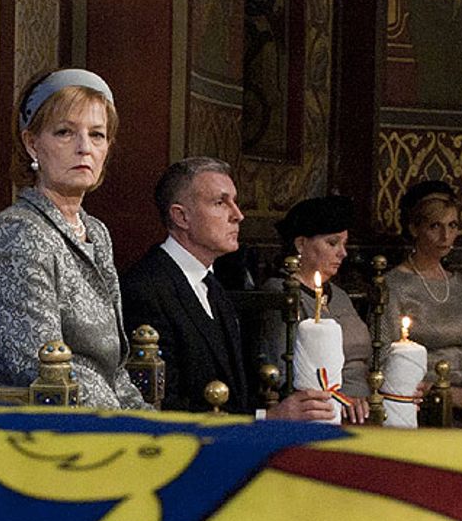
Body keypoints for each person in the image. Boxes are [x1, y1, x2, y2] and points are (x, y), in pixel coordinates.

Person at [0, 68, 147, 409]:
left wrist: (150, 424)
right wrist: (124, 430)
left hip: (107, 422)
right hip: (50, 431)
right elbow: (43, 370)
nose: (85, 148)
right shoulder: (17, 233)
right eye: (66, 132)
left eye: (97, 135)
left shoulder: (96, 231)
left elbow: (114, 369)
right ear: (32, 143)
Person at [121, 157, 335, 419]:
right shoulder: (146, 288)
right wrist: (267, 419)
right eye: (220, 203)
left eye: (235, 201)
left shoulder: (213, 285)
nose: (238, 215)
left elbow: (236, 391)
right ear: (181, 216)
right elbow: (160, 405)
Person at [383, 180, 462, 423]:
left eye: (453, 226)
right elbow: (387, 360)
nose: (446, 236)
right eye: (435, 226)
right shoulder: (394, 284)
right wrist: (446, 394)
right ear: (414, 228)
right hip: (422, 402)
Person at [261, 195, 373, 424]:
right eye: (332, 243)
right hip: (324, 411)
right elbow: (283, 372)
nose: (343, 253)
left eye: (344, 244)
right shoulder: (280, 293)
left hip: (366, 405)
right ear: (301, 244)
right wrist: (342, 399)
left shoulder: (339, 296)